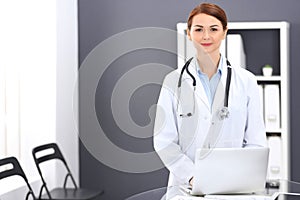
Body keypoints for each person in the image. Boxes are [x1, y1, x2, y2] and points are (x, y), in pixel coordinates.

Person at [153, 3, 267, 189]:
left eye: (213, 29)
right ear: (189, 33)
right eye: (198, 29)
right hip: (186, 187)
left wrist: (236, 177)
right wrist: (192, 177)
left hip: (233, 186)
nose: (206, 36)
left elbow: (255, 142)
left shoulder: (247, 81)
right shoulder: (173, 81)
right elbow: (164, 141)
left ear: (224, 32)